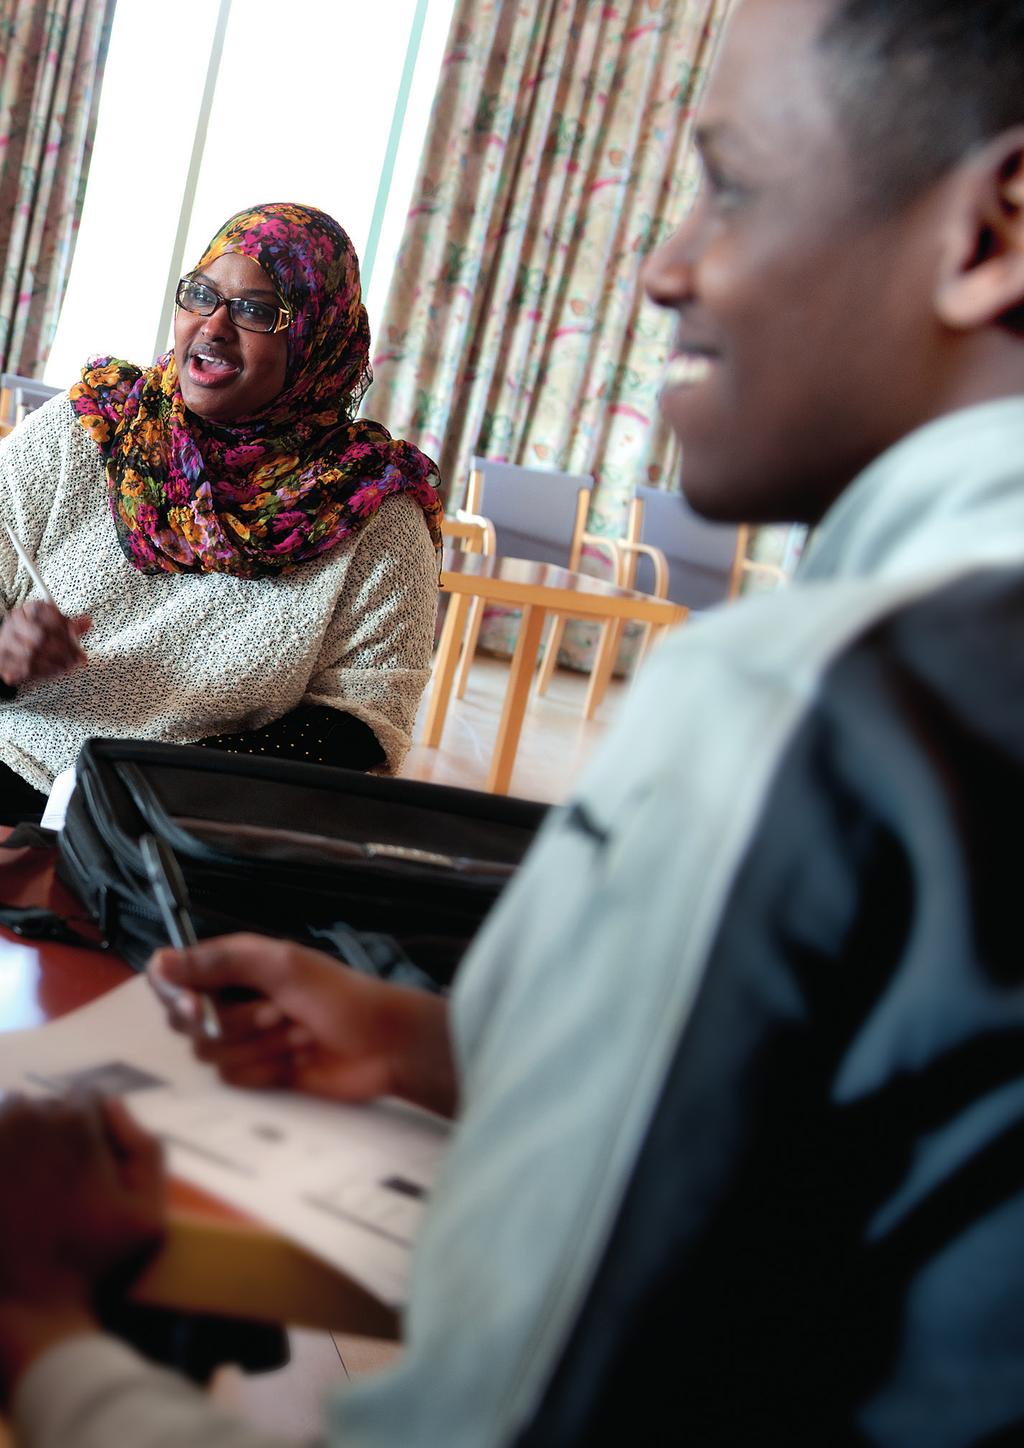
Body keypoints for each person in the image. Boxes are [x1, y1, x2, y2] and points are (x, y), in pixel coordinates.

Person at [2, 0, 1024, 1442]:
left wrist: (46, 1328)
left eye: (729, 182)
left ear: (995, 226)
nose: (665, 267)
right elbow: (864, 1127)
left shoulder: (810, 710)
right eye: (199, 291)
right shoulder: (81, 438)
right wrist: (447, 1046)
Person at [0, 202, 443, 824]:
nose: (212, 326)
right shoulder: (89, 430)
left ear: (317, 335)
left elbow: (365, 722)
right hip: (12, 771)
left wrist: (160, 781)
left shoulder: (374, 508)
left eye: (256, 310)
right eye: (201, 295)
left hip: (198, 822)